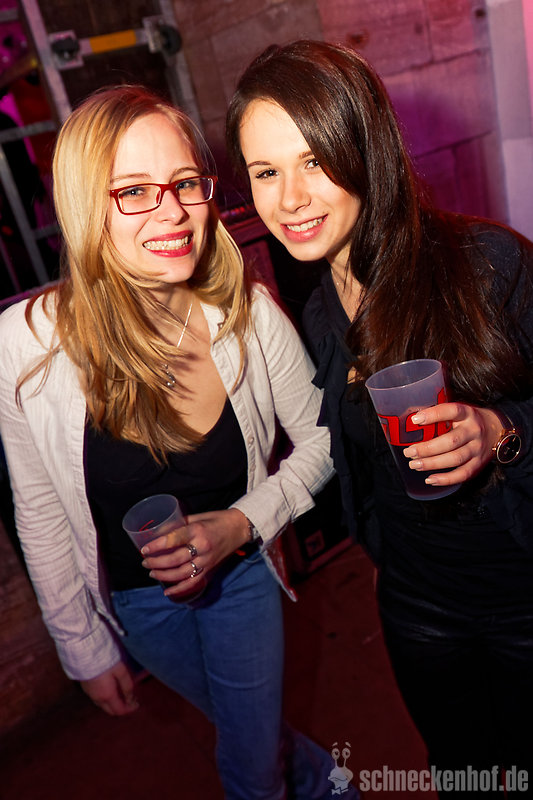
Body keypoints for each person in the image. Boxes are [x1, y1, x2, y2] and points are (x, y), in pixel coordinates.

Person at [0, 84, 356, 800]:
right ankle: (329, 783)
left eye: (186, 183)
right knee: (254, 733)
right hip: (138, 609)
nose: (172, 211)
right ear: (84, 206)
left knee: (250, 770)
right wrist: (83, 649)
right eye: (133, 191)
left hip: (242, 581)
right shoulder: (25, 345)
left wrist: (242, 524)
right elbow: (39, 514)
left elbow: (323, 439)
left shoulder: (248, 314)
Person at [226, 40, 533, 795]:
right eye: (266, 172)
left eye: (314, 160)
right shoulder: (318, 315)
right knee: (462, 775)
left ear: (365, 150)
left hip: (524, 596)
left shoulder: (489, 265)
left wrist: (500, 432)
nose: (290, 199)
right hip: (417, 606)